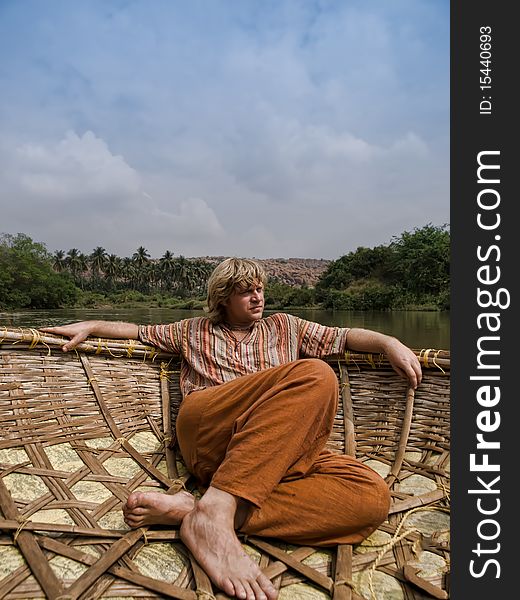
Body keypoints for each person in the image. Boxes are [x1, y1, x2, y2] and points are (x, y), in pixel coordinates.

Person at [41, 257, 422, 600]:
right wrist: (91, 324)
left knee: (370, 498)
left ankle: (202, 510)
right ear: (222, 298)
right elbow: (136, 332)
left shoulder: (285, 326)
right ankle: (220, 507)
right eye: (245, 292)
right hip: (210, 429)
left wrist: (388, 342)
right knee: (317, 375)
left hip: (268, 453)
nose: (257, 298)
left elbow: (343, 336)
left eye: (259, 289)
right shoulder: (192, 330)